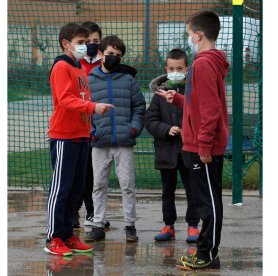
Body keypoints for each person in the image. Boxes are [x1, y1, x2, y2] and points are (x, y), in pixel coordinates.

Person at [155, 10, 230, 270]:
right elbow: (199, 104)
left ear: (198, 35)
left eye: (189, 35)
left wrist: (205, 145)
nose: (189, 39)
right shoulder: (206, 63)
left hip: (201, 147)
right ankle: (206, 253)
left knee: (208, 202)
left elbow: (211, 110)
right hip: (196, 144)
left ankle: (207, 254)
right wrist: (177, 98)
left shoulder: (203, 64)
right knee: (203, 200)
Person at [45, 22, 114, 256]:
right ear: (66, 44)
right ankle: (53, 237)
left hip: (81, 135)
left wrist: (89, 123)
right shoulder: (61, 67)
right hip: (64, 135)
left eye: (87, 42)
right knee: (61, 189)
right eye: (81, 43)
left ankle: (67, 236)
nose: (86, 46)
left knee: (76, 189)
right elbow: (65, 100)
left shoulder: (79, 70)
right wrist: (93, 107)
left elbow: (81, 100)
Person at [84, 35, 146, 242]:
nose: (114, 58)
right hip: (99, 142)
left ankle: (130, 225)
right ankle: (98, 224)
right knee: (98, 185)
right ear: (100, 54)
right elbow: (84, 110)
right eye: (110, 54)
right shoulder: (89, 80)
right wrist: (92, 131)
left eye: (118, 55)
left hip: (124, 142)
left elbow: (139, 106)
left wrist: (134, 129)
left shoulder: (128, 80)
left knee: (127, 185)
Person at [144, 48, 200, 243]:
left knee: (192, 189)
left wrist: (188, 130)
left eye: (179, 68)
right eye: (171, 68)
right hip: (166, 151)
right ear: (165, 69)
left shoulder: (194, 90)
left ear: (187, 69)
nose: (175, 71)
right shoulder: (159, 93)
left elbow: (200, 116)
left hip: (189, 151)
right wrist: (166, 129)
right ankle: (169, 225)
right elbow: (150, 120)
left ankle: (193, 227)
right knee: (167, 191)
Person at [73, 21, 111, 229]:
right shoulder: (75, 63)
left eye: (96, 41)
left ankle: (94, 212)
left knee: (96, 173)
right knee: (80, 171)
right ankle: (74, 212)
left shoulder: (104, 62)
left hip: (100, 123)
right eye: (87, 41)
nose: (91, 45)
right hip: (80, 122)